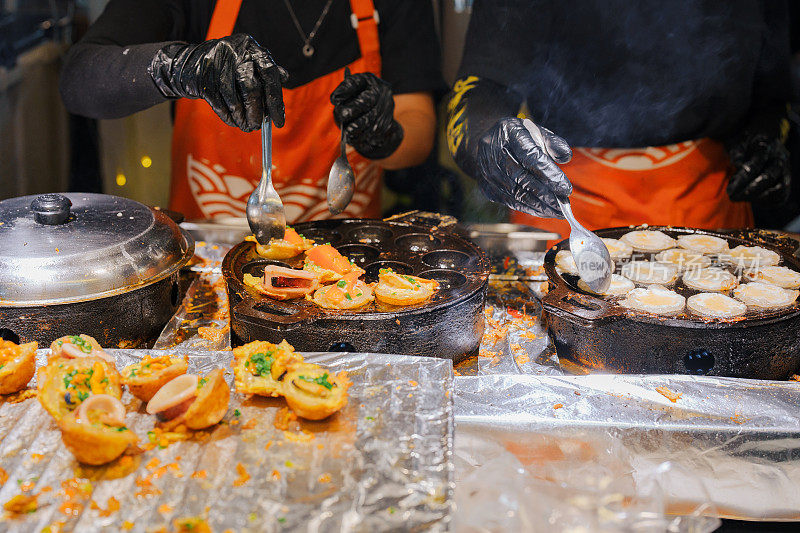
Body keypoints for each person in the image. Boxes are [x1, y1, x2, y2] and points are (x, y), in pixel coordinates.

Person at [60, 0, 441, 222]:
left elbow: (418, 125)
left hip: (345, 270)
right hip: (208, 264)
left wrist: (386, 136)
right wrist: (182, 67)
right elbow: (79, 78)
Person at [447, 0, 792, 235]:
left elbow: (772, 89)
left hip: (709, 209)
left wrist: (767, 139)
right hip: (565, 208)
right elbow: (480, 89)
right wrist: (488, 141)